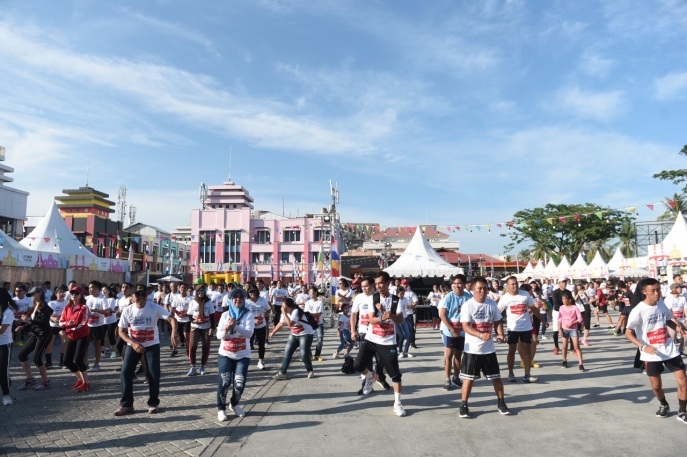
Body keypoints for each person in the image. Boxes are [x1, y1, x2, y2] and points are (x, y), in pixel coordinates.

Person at [625, 278, 687, 421]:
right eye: (653, 291)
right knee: (656, 386)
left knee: (683, 380)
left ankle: (683, 411)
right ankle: (663, 404)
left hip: (669, 349)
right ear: (644, 292)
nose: (657, 293)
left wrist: (678, 327)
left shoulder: (661, 304)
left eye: (658, 290)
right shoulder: (638, 310)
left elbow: (668, 320)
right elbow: (628, 333)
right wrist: (643, 347)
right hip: (651, 353)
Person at [115, 288, 178, 416]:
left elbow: (172, 319)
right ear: (131, 298)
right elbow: (121, 331)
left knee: (153, 374)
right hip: (133, 345)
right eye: (137, 296)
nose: (141, 298)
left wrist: (173, 333)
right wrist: (133, 343)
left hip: (152, 345)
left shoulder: (154, 307)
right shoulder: (128, 310)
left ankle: (153, 403)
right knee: (125, 372)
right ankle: (126, 404)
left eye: (143, 295)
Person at [353, 271, 406, 417]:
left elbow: (400, 320)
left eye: (381, 283)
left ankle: (398, 403)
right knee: (357, 365)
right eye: (376, 284)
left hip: (388, 342)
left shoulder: (396, 300)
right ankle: (370, 377)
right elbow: (371, 319)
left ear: (388, 283)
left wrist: (391, 315)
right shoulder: (373, 298)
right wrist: (383, 316)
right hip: (371, 338)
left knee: (394, 374)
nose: (378, 286)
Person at [459, 277, 509, 418]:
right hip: (473, 350)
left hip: (489, 349)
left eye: (484, 288)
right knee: (469, 379)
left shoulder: (491, 303)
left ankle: (501, 403)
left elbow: (497, 321)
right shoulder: (468, 305)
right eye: (479, 288)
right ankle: (464, 405)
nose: (482, 291)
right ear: (473, 289)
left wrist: (500, 334)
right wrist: (481, 335)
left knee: (496, 378)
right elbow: (465, 326)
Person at [216, 288, 254, 421]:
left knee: (239, 383)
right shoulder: (225, 315)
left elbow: (249, 334)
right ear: (231, 300)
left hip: (242, 355)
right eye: (235, 297)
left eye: (241, 297)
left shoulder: (248, 314)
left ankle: (234, 403)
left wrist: (235, 326)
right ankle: (221, 408)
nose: (238, 299)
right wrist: (226, 329)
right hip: (226, 354)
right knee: (225, 382)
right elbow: (219, 336)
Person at [351, 276, 390, 392]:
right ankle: (366, 384)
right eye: (362, 287)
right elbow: (354, 315)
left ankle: (380, 378)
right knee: (365, 361)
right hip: (364, 332)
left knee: (381, 359)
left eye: (366, 286)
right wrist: (353, 330)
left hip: (379, 332)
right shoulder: (358, 298)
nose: (364, 289)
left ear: (373, 285)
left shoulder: (379, 297)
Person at [498, 277, 539, 383]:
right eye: (512, 284)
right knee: (512, 350)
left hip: (526, 327)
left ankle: (527, 375)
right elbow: (497, 313)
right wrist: (499, 331)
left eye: (516, 283)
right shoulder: (504, 298)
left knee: (527, 351)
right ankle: (511, 373)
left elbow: (533, 308)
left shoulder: (525, 294)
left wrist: (543, 320)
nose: (515, 286)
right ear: (507, 286)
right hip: (513, 328)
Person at [16, 287, 54, 391]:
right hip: (36, 333)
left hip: (44, 334)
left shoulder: (45, 306)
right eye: (30, 295)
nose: (32, 297)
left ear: (40, 293)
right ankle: (30, 379)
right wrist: (23, 326)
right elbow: (33, 322)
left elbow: (44, 322)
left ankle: (46, 382)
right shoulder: (34, 306)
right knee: (22, 355)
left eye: (33, 294)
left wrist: (30, 322)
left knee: (37, 359)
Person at [439, 274, 471, 391]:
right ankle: (447, 379)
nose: (457, 286)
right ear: (452, 285)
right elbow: (442, 315)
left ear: (464, 284)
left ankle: (456, 378)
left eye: (459, 283)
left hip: (462, 332)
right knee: (449, 355)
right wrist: (452, 330)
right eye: (455, 284)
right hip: (449, 331)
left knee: (458, 355)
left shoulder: (468, 297)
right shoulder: (449, 297)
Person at [270, 297, 315, 379]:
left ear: (290, 307)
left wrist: (284, 313)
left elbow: (290, 323)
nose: (283, 308)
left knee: (303, 354)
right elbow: (281, 323)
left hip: (305, 334)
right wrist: (273, 332)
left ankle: (310, 370)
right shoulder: (285, 313)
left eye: (285, 307)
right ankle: (282, 372)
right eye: (282, 306)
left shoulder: (296, 311)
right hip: (294, 334)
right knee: (287, 352)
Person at [60, 287, 91, 392]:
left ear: (81, 295)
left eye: (76, 293)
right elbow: (61, 321)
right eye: (72, 293)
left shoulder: (84, 308)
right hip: (71, 336)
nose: (74, 295)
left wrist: (70, 327)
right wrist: (67, 325)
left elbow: (84, 323)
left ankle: (86, 382)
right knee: (67, 361)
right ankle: (80, 379)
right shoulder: (67, 307)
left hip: (83, 335)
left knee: (78, 360)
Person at [187, 286, 215, 376]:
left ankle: (202, 366)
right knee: (192, 347)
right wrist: (194, 321)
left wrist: (212, 328)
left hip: (206, 327)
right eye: (199, 291)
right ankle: (193, 367)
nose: (201, 293)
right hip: (195, 327)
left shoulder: (209, 302)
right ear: (196, 292)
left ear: (205, 292)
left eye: (203, 291)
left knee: (206, 347)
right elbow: (189, 315)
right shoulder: (193, 302)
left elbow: (212, 316)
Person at [85, 281, 110, 372]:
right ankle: (85, 363)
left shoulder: (102, 299)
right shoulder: (86, 298)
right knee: (85, 344)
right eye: (89, 288)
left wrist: (95, 310)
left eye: (92, 287)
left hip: (98, 325)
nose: (90, 289)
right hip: (87, 325)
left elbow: (107, 311)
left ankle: (96, 364)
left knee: (97, 345)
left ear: (97, 289)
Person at [558, 290, 585, 371]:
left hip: (573, 329)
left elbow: (580, 319)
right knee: (564, 346)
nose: (563, 301)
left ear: (569, 300)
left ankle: (581, 364)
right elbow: (560, 319)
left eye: (564, 299)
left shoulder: (575, 308)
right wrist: (559, 328)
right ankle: (564, 361)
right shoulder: (561, 307)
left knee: (576, 346)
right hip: (564, 329)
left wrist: (572, 323)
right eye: (562, 299)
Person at [245, 287, 270, 370]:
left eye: (253, 291)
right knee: (248, 344)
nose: (252, 293)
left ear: (256, 292)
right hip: (250, 325)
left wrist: (265, 314)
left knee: (261, 344)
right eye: (250, 292)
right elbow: (243, 314)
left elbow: (269, 310)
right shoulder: (246, 302)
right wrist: (253, 319)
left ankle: (260, 361)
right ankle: (245, 361)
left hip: (261, 325)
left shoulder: (262, 300)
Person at [1, 289, 17, 405]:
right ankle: (7, 381)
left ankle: (6, 395)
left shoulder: (8, 312)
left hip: (4, 345)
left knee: (3, 370)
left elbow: (2, 330)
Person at [46, 285, 68, 369]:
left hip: (63, 325)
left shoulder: (67, 303)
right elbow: (46, 315)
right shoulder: (51, 303)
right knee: (49, 343)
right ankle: (48, 362)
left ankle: (62, 362)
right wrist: (52, 318)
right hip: (52, 326)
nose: (62, 294)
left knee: (65, 341)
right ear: (56, 294)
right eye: (60, 292)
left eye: (64, 292)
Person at [664, 283, 687, 354]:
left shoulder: (683, 298)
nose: (681, 289)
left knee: (686, 335)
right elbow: (669, 313)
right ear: (675, 289)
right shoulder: (668, 298)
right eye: (680, 288)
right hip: (671, 320)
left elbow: (685, 309)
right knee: (672, 337)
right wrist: (676, 324)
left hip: (681, 319)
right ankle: (671, 353)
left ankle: (680, 351)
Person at [170, 283, 192, 357]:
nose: (183, 289)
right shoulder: (176, 297)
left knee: (186, 336)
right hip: (177, 319)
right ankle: (174, 349)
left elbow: (191, 310)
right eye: (181, 288)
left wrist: (185, 314)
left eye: (184, 288)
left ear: (187, 290)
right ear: (179, 289)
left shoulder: (190, 299)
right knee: (175, 335)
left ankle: (188, 350)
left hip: (186, 320)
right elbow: (173, 308)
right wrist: (174, 314)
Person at [304, 286, 325, 361]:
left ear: (315, 292)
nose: (310, 293)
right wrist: (310, 315)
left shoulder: (320, 302)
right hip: (309, 324)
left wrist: (311, 315)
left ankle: (317, 355)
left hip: (318, 324)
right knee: (307, 340)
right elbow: (306, 313)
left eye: (311, 292)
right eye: (309, 292)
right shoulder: (307, 302)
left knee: (320, 340)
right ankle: (309, 355)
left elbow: (319, 313)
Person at [551, 278, 568, 355]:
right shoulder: (555, 292)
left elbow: (572, 302)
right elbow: (555, 304)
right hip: (557, 312)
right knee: (556, 330)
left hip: (567, 312)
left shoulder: (568, 292)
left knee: (568, 329)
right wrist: (564, 307)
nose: (564, 283)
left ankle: (571, 348)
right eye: (562, 282)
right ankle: (556, 347)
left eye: (565, 282)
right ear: (559, 283)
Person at [102, 285, 119, 359]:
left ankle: (113, 351)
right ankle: (102, 352)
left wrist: (99, 310)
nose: (104, 291)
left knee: (111, 335)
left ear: (109, 291)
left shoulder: (111, 299)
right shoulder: (100, 299)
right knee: (101, 336)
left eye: (105, 289)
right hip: (102, 321)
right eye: (102, 290)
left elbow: (109, 310)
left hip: (111, 321)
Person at [401, 279, 419, 349]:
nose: (405, 285)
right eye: (403, 284)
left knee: (411, 328)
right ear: (401, 284)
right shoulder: (398, 292)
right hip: (400, 313)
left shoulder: (410, 293)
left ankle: (412, 342)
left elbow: (416, 301)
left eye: (406, 284)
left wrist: (411, 306)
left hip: (408, 313)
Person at [573, 282, 592, 347]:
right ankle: (577, 337)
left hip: (586, 309)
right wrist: (578, 294)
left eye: (580, 285)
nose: (579, 287)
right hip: (578, 310)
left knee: (587, 325)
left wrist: (585, 294)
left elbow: (588, 301)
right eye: (578, 285)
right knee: (577, 326)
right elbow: (573, 301)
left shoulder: (585, 291)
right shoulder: (574, 292)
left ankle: (584, 339)